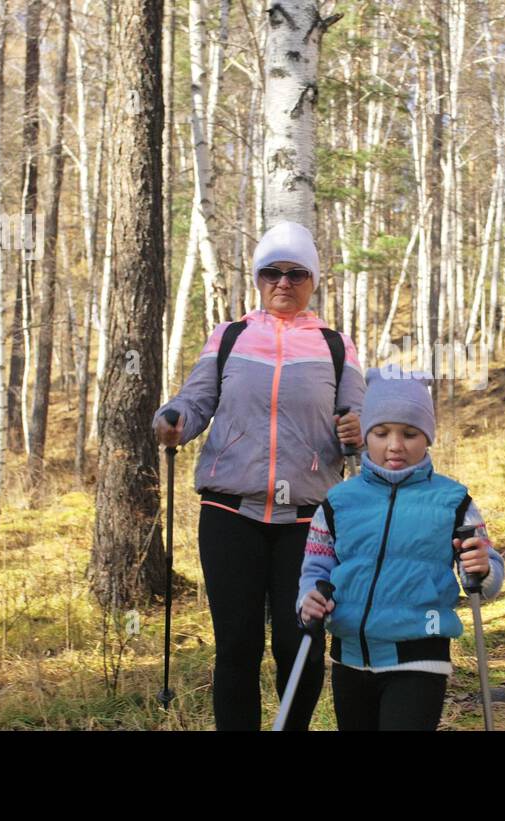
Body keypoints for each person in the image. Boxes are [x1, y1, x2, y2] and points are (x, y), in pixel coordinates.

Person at [153, 221, 365, 731]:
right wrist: (172, 421)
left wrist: (357, 429)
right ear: (258, 278)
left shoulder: (337, 347)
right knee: (237, 646)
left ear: (312, 280)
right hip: (229, 512)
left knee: (302, 647)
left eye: (296, 273)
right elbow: (195, 401)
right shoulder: (229, 337)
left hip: (308, 519)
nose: (283, 282)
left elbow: (363, 426)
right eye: (272, 272)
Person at [297, 368, 505, 731]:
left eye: (410, 434)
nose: (395, 445)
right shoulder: (338, 502)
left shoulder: (454, 502)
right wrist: (309, 599)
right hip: (349, 658)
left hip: (418, 658)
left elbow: (487, 573)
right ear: (365, 437)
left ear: (427, 437)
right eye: (381, 433)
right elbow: (316, 570)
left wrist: (483, 568)